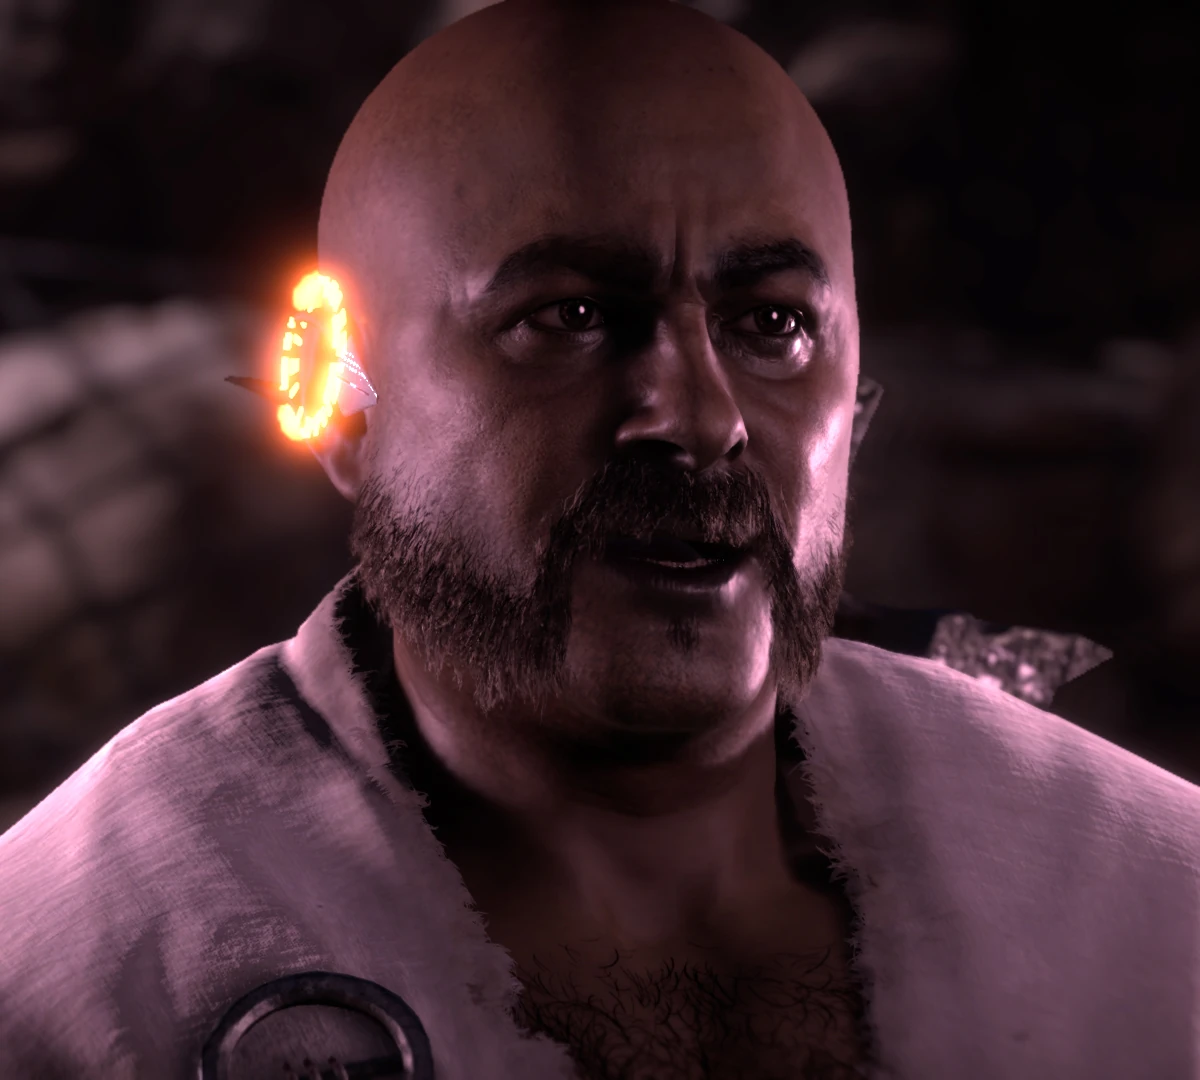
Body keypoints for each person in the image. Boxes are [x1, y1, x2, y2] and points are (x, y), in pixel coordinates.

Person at [1, 3, 1198, 1079]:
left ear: (859, 407)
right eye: (568, 317)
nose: (700, 418)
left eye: (773, 324)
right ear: (340, 401)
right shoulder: (80, 970)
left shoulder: (1144, 899)